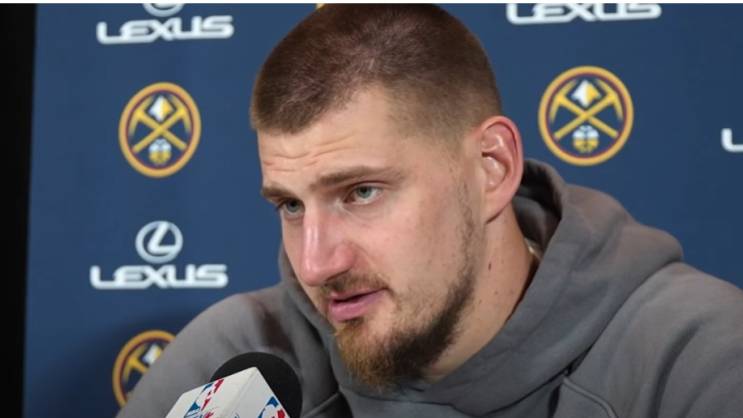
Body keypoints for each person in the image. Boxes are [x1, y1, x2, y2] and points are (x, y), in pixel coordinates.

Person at [117, 5, 743, 418]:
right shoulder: (235, 362)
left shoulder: (695, 362)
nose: (315, 264)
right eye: (290, 204)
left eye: (361, 192)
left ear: (492, 167)